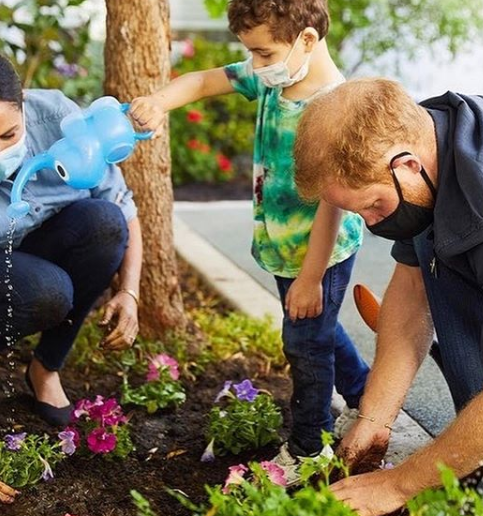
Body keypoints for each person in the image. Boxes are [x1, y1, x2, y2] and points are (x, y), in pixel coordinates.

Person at [130, 0, 369, 484]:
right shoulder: (273, 73)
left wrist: (310, 276)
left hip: (319, 252)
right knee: (314, 330)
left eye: (262, 53)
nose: (255, 64)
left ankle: (309, 448)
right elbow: (201, 81)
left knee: (304, 342)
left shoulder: (334, 108)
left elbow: (333, 203)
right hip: (284, 247)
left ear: (305, 39)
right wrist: (158, 101)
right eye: (251, 54)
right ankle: (365, 397)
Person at [0, 49, 142, 508]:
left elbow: (123, 208)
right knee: (46, 291)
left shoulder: (60, 120)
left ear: (24, 105)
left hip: (46, 242)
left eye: (8, 134)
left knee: (103, 222)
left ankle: (46, 367)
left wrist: (129, 291)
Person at [294, 77, 483, 515]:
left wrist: (399, 484)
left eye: (374, 207)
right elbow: (412, 289)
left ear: (408, 165)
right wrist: (374, 419)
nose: (372, 223)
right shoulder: (427, 146)